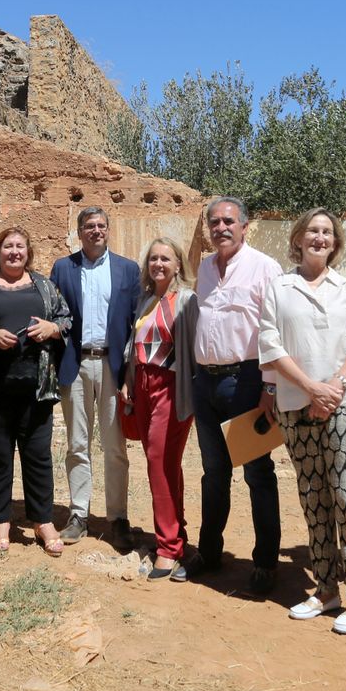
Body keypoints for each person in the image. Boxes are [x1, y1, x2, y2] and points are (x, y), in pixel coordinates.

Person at [259, 209, 346, 634]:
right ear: (298, 238)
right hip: (297, 404)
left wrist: (334, 387)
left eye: (327, 232)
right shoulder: (279, 287)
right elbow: (270, 345)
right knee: (314, 497)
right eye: (312, 230)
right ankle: (327, 589)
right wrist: (312, 388)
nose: (319, 237)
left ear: (335, 242)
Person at [190, 196, 283, 594]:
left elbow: (277, 329)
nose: (221, 228)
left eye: (229, 221)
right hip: (205, 383)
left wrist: (269, 386)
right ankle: (209, 553)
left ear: (245, 226)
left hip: (246, 381)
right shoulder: (206, 269)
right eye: (214, 222)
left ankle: (265, 562)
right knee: (214, 474)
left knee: (257, 474)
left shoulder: (265, 268)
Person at [0, 227, 71, 556]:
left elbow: (66, 318)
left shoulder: (44, 285)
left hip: (36, 388)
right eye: (7, 246)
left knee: (38, 456)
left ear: (28, 252)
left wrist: (53, 327)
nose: (14, 252)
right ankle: (0, 520)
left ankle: (42, 520)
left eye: (20, 247)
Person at [49, 207, 141, 548]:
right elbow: (54, 314)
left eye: (101, 225)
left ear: (108, 230)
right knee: (77, 442)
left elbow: (136, 324)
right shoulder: (63, 267)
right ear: (79, 231)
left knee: (115, 445)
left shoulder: (128, 270)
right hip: (75, 364)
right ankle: (78, 514)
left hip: (113, 367)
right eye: (89, 226)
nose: (96, 231)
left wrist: (131, 373)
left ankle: (117, 517)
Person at [120, 238, 198, 580]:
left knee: (159, 462)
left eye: (165, 258)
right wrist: (128, 382)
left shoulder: (187, 300)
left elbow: (194, 350)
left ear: (178, 264)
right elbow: (134, 346)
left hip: (171, 387)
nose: (158, 264)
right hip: (142, 386)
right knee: (164, 464)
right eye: (153, 258)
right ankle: (174, 535)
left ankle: (168, 548)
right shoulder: (146, 300)